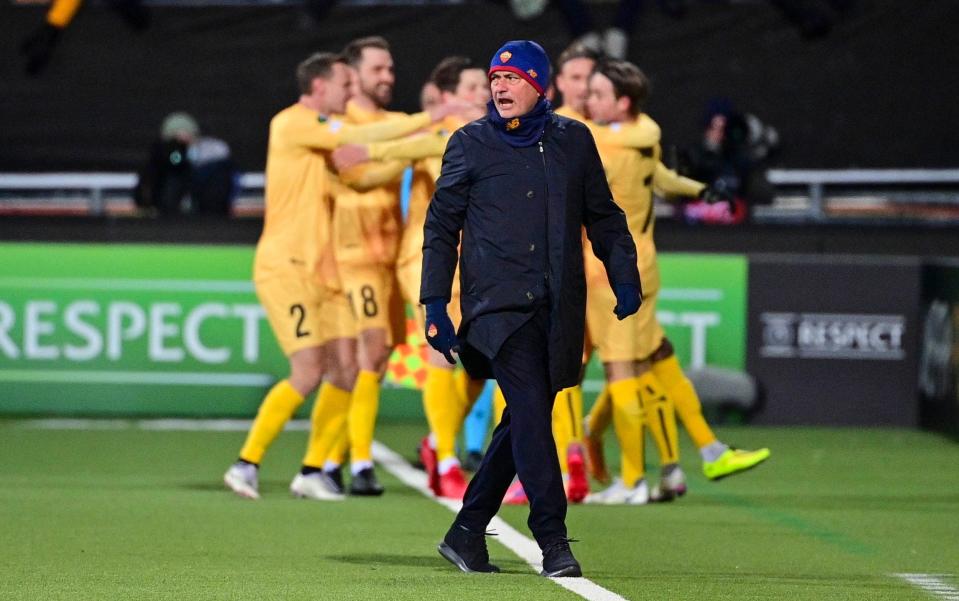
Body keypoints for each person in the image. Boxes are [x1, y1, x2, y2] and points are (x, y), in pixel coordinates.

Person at [421, 40, 640, 577]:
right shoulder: (469, 143)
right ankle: (553, 541)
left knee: (525, 417)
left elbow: (602, 216)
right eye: (495, 77)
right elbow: (441, 226)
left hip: (557, 307)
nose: (499, 86)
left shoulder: (573, 140)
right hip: (497, 308)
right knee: (534, 418)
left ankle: (467, 531)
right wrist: (433, 302)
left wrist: (624, 273)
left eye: (512, 78)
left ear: (539, 84)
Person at [222, 52, 457, 501]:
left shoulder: (326, 135)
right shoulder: (293, 123)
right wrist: (433, 119)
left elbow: (369, 154)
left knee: (348, 369)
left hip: (324, 269)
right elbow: (360, 139)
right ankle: (246, 463)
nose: (350, 94)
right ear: (318, 87)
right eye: (344, 85)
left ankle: (314, 469)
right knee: (309, 368)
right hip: (286, 265)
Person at [581, 59, 770, 503]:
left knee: (621, 372)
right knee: (656, 361)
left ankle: (630, 480)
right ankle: (706, 451)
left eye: (598, 94)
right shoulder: (642, 138)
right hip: (642, 264)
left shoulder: (606, 145)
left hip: (608, 271)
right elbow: (660, 178)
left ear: (622, 102)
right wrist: (701, 189)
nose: (590, 101)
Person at [332, 55, 489, 500]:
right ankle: (445, 457)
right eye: (473, 85)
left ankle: (437, 442)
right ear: (448, 96)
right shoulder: (438, 135)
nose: (483, 92)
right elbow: (401, 155)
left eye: (486, 84)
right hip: (424, 261)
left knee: (478, 363)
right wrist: (364, 155)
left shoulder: (493, 138)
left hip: (475, 264)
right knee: (440, 352)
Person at [317, 36, 411, 497]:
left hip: (389, 259)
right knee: (364, 356)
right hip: (350, 259)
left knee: (375, 359)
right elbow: (358, 177)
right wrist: (405, 150)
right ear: (353, 76)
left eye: (390, 68)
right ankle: (359, 464)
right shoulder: (337, 125)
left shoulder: (396, 123)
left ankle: (331, 460)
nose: (388, 77)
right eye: (379, 69)